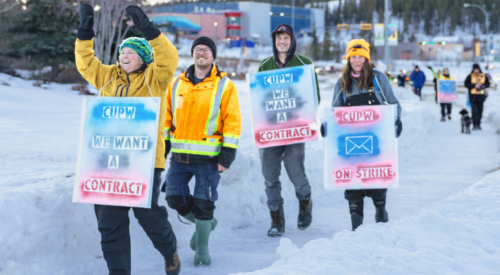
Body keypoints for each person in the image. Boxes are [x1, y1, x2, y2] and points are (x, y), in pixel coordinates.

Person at [75, 4, 180, 275]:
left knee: (145, 213)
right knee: (109, 221)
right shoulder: (108, 77)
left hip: (143, 160)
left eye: (131, 52)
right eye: (122, 51)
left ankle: (169, 251)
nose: (124, 55)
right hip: (107, 161)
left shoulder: (154, 79)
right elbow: (86, 63)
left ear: (144, 57)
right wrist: (85, 33)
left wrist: (148, 28)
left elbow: (168, 57)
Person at [163, 36, 241, 267]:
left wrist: (227, 156)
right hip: (179, 157)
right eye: (197, 49)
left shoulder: (225, 86)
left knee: (204, 202)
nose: (201, 53)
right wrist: (164, 149)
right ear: (192, 54)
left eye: (206, 50)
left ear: (213, 55)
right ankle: (206, 224)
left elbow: (233, 123)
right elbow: (167, 120)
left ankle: (202, 249)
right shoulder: (177, 83)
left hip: (209, 158)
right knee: (173, 197)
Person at [331, 39, 402, 231]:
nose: (356, 60)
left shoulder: (379, 79)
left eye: (360, 57)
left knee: (377, 180)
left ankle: (381, 209)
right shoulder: (342, 83)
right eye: (353, 57)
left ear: (366, 58)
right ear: (348, 59)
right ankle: (356, 223)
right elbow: (334, 112)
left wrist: (396, 119)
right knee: (353, 183)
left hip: (376, 139)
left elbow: (393, 103)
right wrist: (328, 127)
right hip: (351, 140)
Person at [257, 24, 319, 237]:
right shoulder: (264, 66)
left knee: (295, 171)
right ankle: (277, 220)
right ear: (274, 41)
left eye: (286, 38)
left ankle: (305, 201)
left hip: (294, 130)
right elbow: (260, 99)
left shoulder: (304, 64)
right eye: (278, 38)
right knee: (270, 177)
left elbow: (313, 96)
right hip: (270, 131)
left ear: (292, 40)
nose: (282, 41)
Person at [465, 63, 490, 130]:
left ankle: (478, 124)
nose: (476, 71)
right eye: (475, 69)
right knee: (474, 111)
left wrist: (482, 86)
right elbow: (466, 84)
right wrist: (473, 85)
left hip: (481, 97)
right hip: (473, 97)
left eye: (477, 69)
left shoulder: (483, 76)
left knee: (480, 111)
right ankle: (474, 124)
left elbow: (488, 84)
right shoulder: (470, 76)